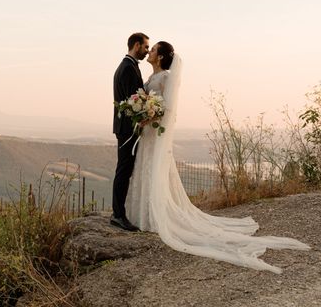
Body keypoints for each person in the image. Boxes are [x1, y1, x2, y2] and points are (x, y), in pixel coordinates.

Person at [124, 41, 310, 273]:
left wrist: (150, 115)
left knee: (153, 169)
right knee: (145, 168)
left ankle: (155, 216)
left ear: (160, 57)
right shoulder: (151, 78)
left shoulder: (165, 78)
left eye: (153, 50)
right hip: (148, 133)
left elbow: (167, 109)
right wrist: (142, 112)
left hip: (154, 131)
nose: (149, 52)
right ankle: (144, 214)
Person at [111, 32, 149, 232]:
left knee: (125, 170)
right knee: (123, 170)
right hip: (127, 129)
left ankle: (119, 213)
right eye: (145, 47)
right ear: (136, 45)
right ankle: (118, 215)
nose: (147, 51)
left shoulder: (128, 66)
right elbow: (133, 101)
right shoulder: (127, 68)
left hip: (126, 128)